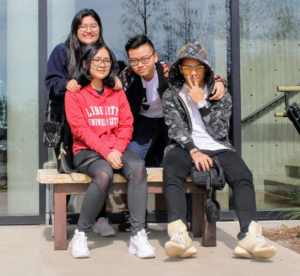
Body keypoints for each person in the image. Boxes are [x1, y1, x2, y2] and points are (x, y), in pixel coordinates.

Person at [162, 39, 277, 259]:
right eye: (187, 67)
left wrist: (201, 103)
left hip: (217, 146)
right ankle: (178, 234)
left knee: (243, 175)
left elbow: (220, 131)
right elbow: (175, 129)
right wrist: (194, 151)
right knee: (172, 169)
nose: (192, 73)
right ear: (180, 69)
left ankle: (249, 235)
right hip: (185, 146)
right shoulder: (171, 95)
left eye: (197, 67)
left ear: (206, 68)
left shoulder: (220, 94)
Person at [118, 34, 227, 230]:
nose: (140, 64)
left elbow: (197, 73)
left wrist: (220, 81)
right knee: (132, 160)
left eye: (145, 59)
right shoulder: (127, 75)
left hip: (171, 119)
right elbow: (109, 86)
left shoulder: (169, 70)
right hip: (143, 121)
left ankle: (184, 219)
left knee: (181, 158)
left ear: (155, 57)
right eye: (134, 60)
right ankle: (136, 219)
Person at [65, 42, 155, 259]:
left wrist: (117, 148)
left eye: (107, 60)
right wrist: (107, 152)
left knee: (138, 168)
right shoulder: (75, 93)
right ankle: (81, 233)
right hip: (87, 150)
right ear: (86, 63)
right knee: (104, 173)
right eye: (97, 60)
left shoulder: (116, 91)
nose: (102, 65)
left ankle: (138, 234)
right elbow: (81, 129)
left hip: (117, 147)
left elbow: (127, 124)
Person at [45, 9, 121, 237]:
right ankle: (59, 219)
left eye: (93, 25)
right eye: (83, 26)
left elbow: (113, 78)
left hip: (100, 124)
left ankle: (100, 219)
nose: (89, 30)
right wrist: (65, 84)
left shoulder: (106, 53)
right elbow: (51, 82)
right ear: (75, 29)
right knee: (67, 171)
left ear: (99, 28)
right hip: (67, 125)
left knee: (102, 167)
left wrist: (116, 79)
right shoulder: (61, 51)